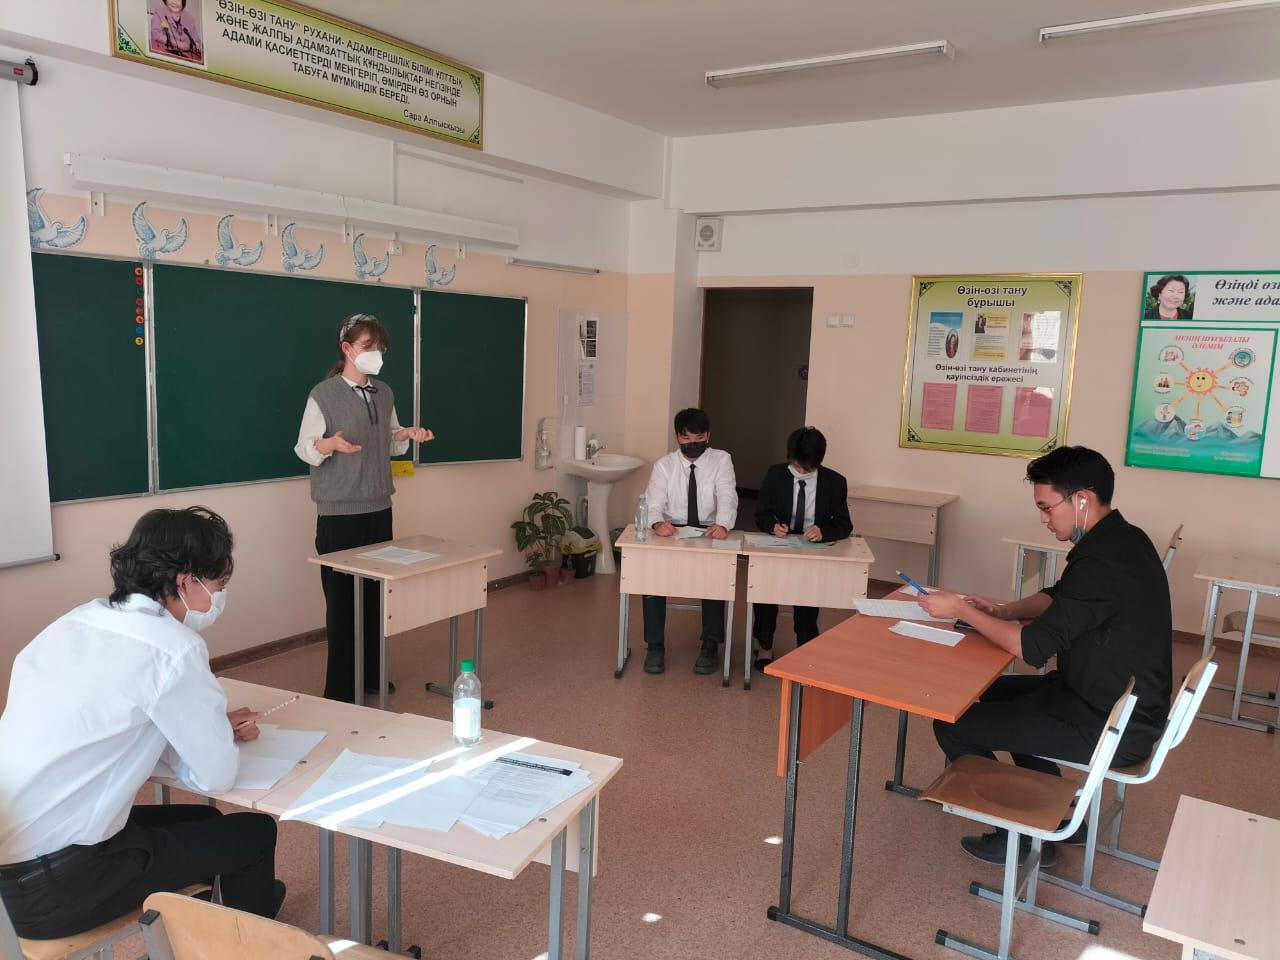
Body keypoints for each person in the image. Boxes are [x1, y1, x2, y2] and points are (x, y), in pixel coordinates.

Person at [0, 507, 284, 940]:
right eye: (218, 585)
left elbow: (113, 722)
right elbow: (216, 777)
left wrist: (207, 725)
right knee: (255, 832)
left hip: (18, 865)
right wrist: (211, 733)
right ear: (186, 582)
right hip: (56, 888)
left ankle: (224, 916)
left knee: (202, 820)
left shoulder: (75, 622)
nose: (219, 598)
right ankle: (249, 943)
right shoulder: (174, 647)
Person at [920, 446, 1171, 866]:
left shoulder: (1105, 562)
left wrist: (961, 609)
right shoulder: (1121, 540)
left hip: (1110, 723)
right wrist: (1007, 611)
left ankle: (1016, 835)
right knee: (986, 693)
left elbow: (1031, 647)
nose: (1043, 518)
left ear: (1082, 500)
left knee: (953, 722)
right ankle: (1051, 815)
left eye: (1046, 507)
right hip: (1102, 698)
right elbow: (1061, 597)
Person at [295, 315, 433, 703]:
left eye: (380, 347)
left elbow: (387, 440)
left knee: (374, 600)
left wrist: (405, 434)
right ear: (347, 349)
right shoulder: (323, 395)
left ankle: (372, 676)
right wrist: (328, 445)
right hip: (339, 514)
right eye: (368, 346)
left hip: (378, 508)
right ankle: (341, 690)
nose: (376, 353)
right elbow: (304, 446)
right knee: (343, 605)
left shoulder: (383, 393)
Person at [640, 408, 738, 675]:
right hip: (673, 531)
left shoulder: (721, 460)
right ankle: (655, 646)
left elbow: (727, 494)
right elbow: (653, 502)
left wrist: (723, 523)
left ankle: (710, 644)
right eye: (686, 439)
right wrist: (657, 523)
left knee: (715, 579)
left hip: (709, 530)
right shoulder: (664, 465)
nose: (692, 444)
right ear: (677, 437)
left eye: (699, 438)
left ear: (708, 436)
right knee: (651, 578)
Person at [751, 427, 853, 669]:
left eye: (808, 468)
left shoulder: (834, 482)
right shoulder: (775, 475)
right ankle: (765, 645)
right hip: (779, 545)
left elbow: (844, 524)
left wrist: (823, 531)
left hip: (810, 549)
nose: (802, 471)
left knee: (807, 598)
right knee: (765, 592)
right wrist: (773, 526)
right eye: (798, 466)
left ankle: (805, 647)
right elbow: (761, 514)